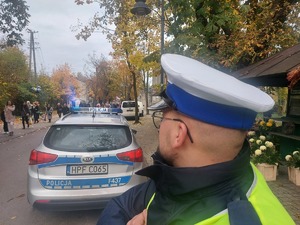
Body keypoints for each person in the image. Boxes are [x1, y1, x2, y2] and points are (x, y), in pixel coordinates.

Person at [97, 54, 295, 225]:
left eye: (162, 117)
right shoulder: (230, 173)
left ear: (178, 134)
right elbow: (123, 205)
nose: (160, 127)